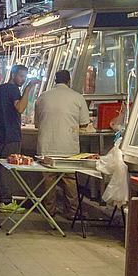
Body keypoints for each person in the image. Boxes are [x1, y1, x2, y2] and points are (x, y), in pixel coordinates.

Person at [34, 70, 90, 219]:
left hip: (46, 147)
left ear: (55, 81)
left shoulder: (42, 97)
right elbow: (85, 123)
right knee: (69, 180)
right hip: (68, 147)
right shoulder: (77, 97)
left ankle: (49, 211)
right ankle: (72, 212)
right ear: (69, 81)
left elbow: (37, 124)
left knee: (49, 181)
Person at [0, 65, 39, 212]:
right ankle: (7, 202)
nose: (23, 80)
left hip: (0, 134)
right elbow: (20, 108)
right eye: (21, 76)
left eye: (25, 77)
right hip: (12, 135)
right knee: (8, 168)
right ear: (13, 74)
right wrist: (28, 89)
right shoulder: (14, 90)